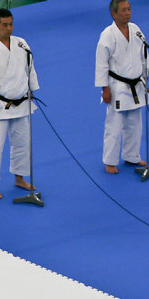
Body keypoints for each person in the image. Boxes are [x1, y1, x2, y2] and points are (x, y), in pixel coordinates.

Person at [0, 8, 39, 199]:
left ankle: (19, 178)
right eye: (5, 25)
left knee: (22, 144)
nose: (9, 28)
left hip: (21, 102)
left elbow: (30, 70)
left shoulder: (21, 44)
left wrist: (32, 92)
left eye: (11, 24)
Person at [96, 0, 148, 174]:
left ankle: (131, 156)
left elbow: (144, 56)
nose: (128, 13)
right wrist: (105, 88)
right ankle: (110, 161)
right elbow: (101, 64)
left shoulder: (136, 30)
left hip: (136, 84)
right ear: (114, 13)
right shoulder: (107, 35)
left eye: (129, 9)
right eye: (124, 10)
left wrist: (146, 76)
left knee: (135, 123)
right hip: (117, 85)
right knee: (114, 126)